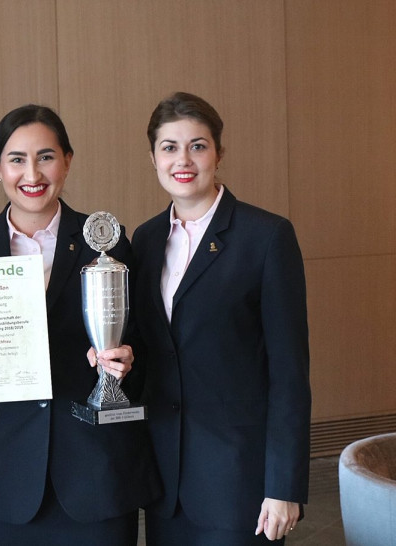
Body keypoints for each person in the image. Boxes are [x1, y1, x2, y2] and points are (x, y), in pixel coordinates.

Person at [0, 104, 160, 545]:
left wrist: (126, 361)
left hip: (94, 471)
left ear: (67, 160)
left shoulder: (107, 243)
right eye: (16, 159)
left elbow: (145, 349)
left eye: (46, 156)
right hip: (1, 474)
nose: (31, 172)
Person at [131, 91, 311, 545]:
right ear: (152, 157)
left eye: (198, 145)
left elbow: (289, 372)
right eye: (169, 147)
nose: (183, 160)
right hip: (165, 479)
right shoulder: (146, 240)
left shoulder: (266, 236)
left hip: (240, 479)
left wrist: (283, 485)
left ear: (218, 153)